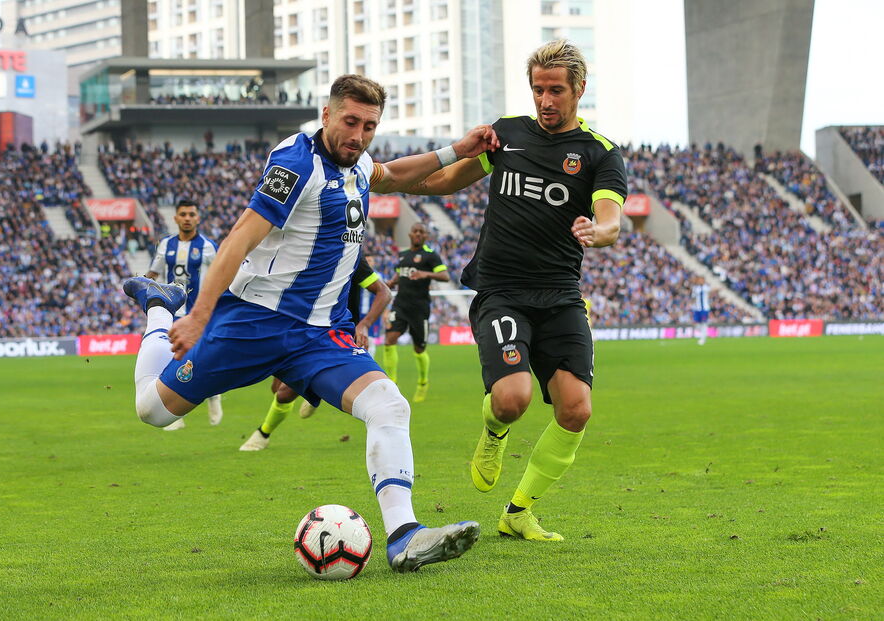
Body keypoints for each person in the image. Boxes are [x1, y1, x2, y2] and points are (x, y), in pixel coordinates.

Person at [122, 74, 498, 572]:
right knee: (153, 411)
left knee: (389, 405)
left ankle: (404, 536)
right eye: (349, 122)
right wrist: (195, 315)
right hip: (254, 323)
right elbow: (238, 239)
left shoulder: (358, 160)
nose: (358, 135)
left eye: (369, 126)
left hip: (321, 334)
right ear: (326, 115)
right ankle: (157, 303)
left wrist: (457, 150)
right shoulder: (295, 163)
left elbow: (394, 175)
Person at [400, 40, 628, 541]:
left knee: (577, 409)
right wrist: (386, 179)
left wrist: (598, 231)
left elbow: (612, 221)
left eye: (556, 91)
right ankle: (494, 432)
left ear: (579, 90)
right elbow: (443, 183)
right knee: (512, 398)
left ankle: (519, 510)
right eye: (538, 89)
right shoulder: (506, 135)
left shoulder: (600, 154)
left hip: (561, 294)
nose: (545, 101)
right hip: (501, 290)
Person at [240, 250, 392, 450]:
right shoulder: (300, 251)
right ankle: (316, 390)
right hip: (299, 331)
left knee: (285, 393)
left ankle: (262, 434)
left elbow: (384, 292)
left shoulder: (349, 254)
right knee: (276, 388)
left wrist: (364, 324)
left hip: (334, 339)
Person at [145, 199, 223, 429]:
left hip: (198, 314)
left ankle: (213, 396)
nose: (187, 218)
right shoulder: (166, 245)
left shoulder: (208, 246)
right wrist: (143, 288)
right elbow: (153, 274)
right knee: (168, 361)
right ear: (176, 218)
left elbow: (222, 273)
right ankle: (172, 414)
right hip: (172, 313)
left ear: (198, 218)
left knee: (201, 360)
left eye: (191, 214)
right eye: (183, 214)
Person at [382, 222, 449, 402]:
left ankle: (422, 382)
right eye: (415, 231)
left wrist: (426, 274)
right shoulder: (403, 255)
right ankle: (392, 383)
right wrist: (391, 282)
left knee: (419, 349)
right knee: (389, 340)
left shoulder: (430, 256)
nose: (418, 234)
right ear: (410, 234)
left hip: (419, 309)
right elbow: (400, 274)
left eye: (421, 232)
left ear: (426, 236)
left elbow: (445, 276)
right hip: (400, 305)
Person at [691, 276, 711, 345]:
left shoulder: (706, 287)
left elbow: (711, 291)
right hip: (697, 309)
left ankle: (703, 339)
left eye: (702, 280)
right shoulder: (695, 288)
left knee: (704, 323)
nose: (700, 281)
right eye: (699, 280)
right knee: (696, 325)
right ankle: (704, 333)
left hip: (704, 309)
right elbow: (693, 297)